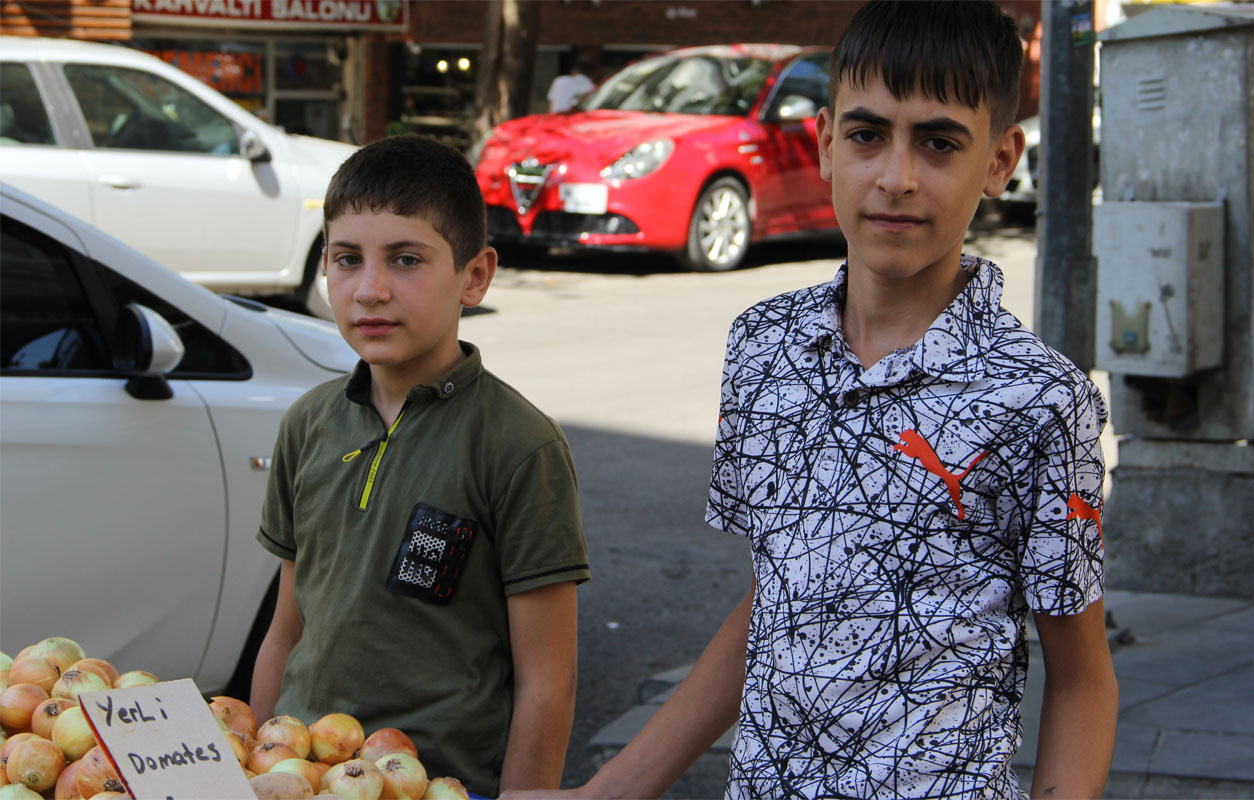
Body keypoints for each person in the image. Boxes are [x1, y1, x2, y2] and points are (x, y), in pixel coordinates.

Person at [504, 2, 1117, 798]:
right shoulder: (764, 348)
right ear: (826, 143)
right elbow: (777, 602)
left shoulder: (1041, 399)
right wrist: (607, 791)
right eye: (867, 136)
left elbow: (1082, 680)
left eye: (938, 143)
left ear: (1000, 161)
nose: (895, 176)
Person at [250, 134, 591, 798]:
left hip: (442, 785)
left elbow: (548, 682)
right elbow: (286, 629)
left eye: (406, 260)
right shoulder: (307, 424)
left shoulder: (519, 445)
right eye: (347, 259)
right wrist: (257, 759)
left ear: (475, 275)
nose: (370, 290)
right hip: (307, 777)